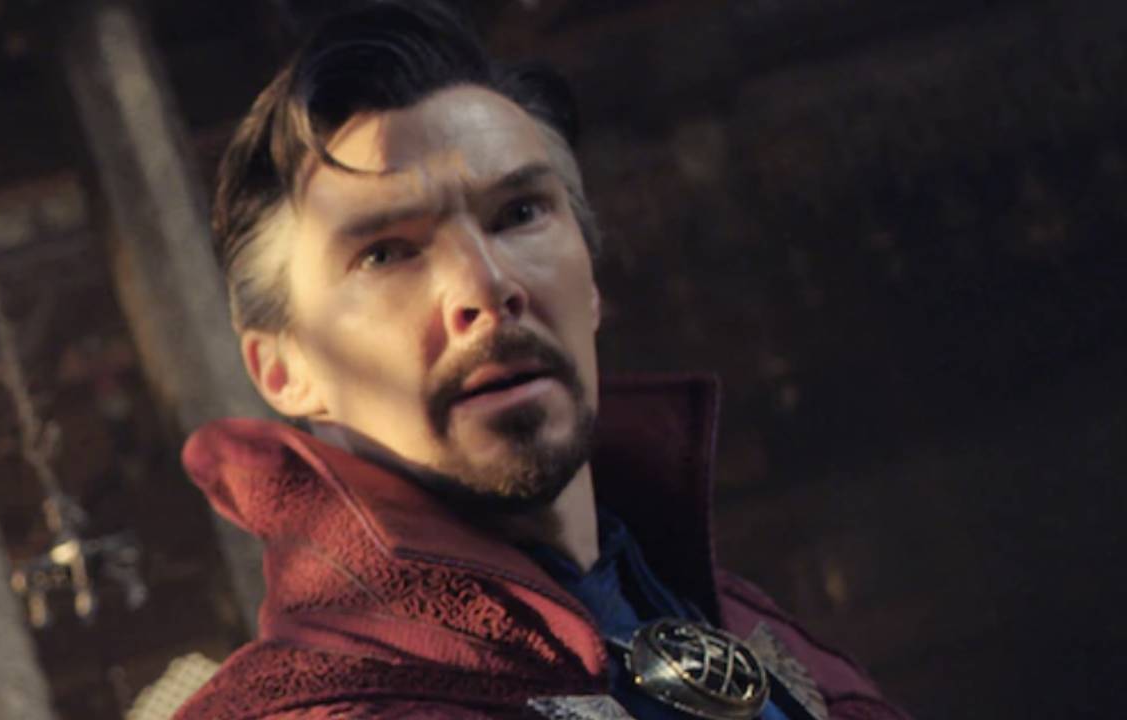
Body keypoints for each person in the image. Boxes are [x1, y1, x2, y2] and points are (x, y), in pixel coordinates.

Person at [175, 2, 909, 718]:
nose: (487, 286)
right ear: (283, 370)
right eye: (385, 253)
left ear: (589, 280)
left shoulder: (760, 633)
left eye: (519, 214)